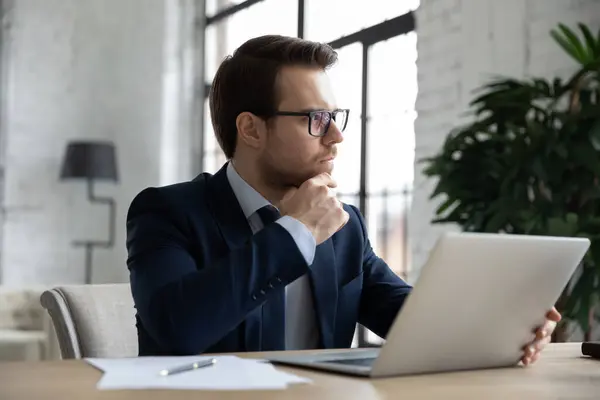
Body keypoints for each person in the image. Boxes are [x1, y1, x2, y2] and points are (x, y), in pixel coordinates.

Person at [125, 35, 559, 364]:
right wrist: (295, 231)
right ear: (251, 129)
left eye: (335, 116)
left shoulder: (343, 225)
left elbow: (409, 320)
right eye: (316, 119)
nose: (337, 135)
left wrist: (502, 329)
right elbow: (179, 329)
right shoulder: (168, 213)